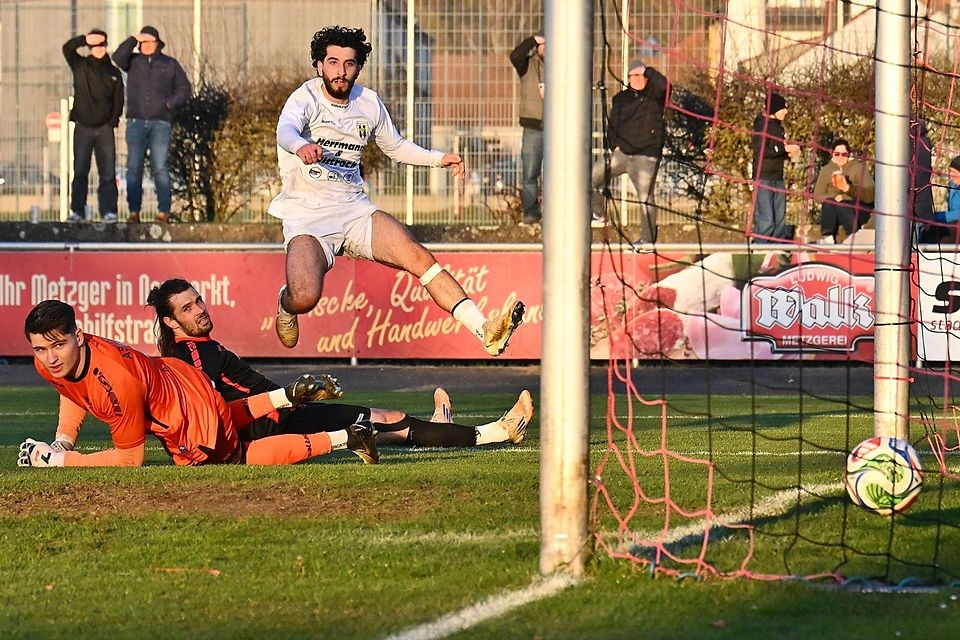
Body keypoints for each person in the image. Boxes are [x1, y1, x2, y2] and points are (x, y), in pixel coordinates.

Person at [268, 26, 524, 357]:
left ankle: (483, 328)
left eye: (349, 63)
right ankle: (286, 305)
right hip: (307, 217)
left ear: (358, 68)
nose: (340, 71)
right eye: (333, 62)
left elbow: (397, 147)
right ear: (319, 65)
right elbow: (285, 130)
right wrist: (300, 144)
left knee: (419, 258)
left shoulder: (369, 102)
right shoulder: (306, 97)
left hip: (354, 211)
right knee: (305, 296)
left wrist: (438, 159)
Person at [147, 278, 534, 448]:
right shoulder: (192, 354)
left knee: (384, 424)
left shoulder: (192, 347)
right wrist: (286, 399)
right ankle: (498, 432)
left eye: (198, 300)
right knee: (388, 421)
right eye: (188, 307)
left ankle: (440, 430)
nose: (200, 309)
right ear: (169, 321)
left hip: (284, 416)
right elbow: (207, 409)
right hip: (277, 425)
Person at [18, 300, 379, 468]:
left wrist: (61, 461)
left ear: (78, 336)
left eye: (58, 345)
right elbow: (71, 387)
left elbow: (129, 459)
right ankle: (285, 395)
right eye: (41, 348)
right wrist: (63, 439)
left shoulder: (116, 381)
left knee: (237, 456)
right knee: (222, 419)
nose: (50, 358)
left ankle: (346, 437)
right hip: (181, 379)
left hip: (183, 416)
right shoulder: (51, 359)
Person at [112, 26, 191, 224]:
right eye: (143, 42)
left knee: (160, 168)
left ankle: (163, 211)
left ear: (157, 43)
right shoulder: (133, 62)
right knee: (133, 168)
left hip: (161, 123)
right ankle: (133, 212)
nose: (146, 45)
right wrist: (133, 38)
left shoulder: (169, 64)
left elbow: (184, 88)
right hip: (136, 122)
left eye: (150, 41)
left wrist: (169, 104)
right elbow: (118, 57)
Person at [590, 60, 667, 243]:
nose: (637, 79)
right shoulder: (621, 99)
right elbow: (613, 124)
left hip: (645, 157)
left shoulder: (655, 96)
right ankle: (599, 214)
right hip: (622, 154)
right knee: (592, 177)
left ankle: (647, 240)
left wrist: (648, 69)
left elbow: (665, 85)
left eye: (640, 75)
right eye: (633, 76)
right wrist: (614, 145)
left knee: (645, 199)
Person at [62, 29, 124, 224]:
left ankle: (108, 211)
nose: (99, 48)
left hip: (105, 129)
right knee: (80, 171)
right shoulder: (80, 65)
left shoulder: (113, 72)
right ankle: (77, 211)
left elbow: (119, 100)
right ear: (89, 47)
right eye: (94, 45)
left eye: (102, 45)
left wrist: (112, 121)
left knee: (107, 173)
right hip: (83, 127)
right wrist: (84, 39)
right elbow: (67, 49)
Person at [751, 92, 801, 242]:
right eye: (783, 108)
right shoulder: (762, 126)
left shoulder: (779, 128)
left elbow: (776, 149)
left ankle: (776, 249)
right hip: (764, 177)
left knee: (780, 219)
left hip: (777, 177)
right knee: (766, 220)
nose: (786, 111)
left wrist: (789, 153)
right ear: (774, 109)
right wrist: (783, 150)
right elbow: (761, 150)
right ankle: (760, 250)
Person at [510, 32, 545, 225]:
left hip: (556, 128)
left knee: (555, 173)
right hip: (532, 127)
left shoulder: (562, 66)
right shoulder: (527, 65)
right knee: (530, 173)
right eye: (543, 45)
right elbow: (515, 55)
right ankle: (531, 213)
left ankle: (553, 211)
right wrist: (533, 40)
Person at [812, 138, 875, 243]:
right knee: (829, 203)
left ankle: (853, 236)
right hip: (835, 207)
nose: (840, 157)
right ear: (832, 154)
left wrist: (845, 193)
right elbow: (817, 195)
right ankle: (828, 237)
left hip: (858, 207)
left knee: (843, 205)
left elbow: (870, 194)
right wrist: (834, 197)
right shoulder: (826, 170)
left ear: (848, 154)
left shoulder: (858, 168)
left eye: (844, 154)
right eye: (837, 154)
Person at [933, 155, 960, 224]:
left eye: (955, 172)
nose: (951, 174)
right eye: (950, 171)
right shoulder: (953, 184)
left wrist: (932, 217)